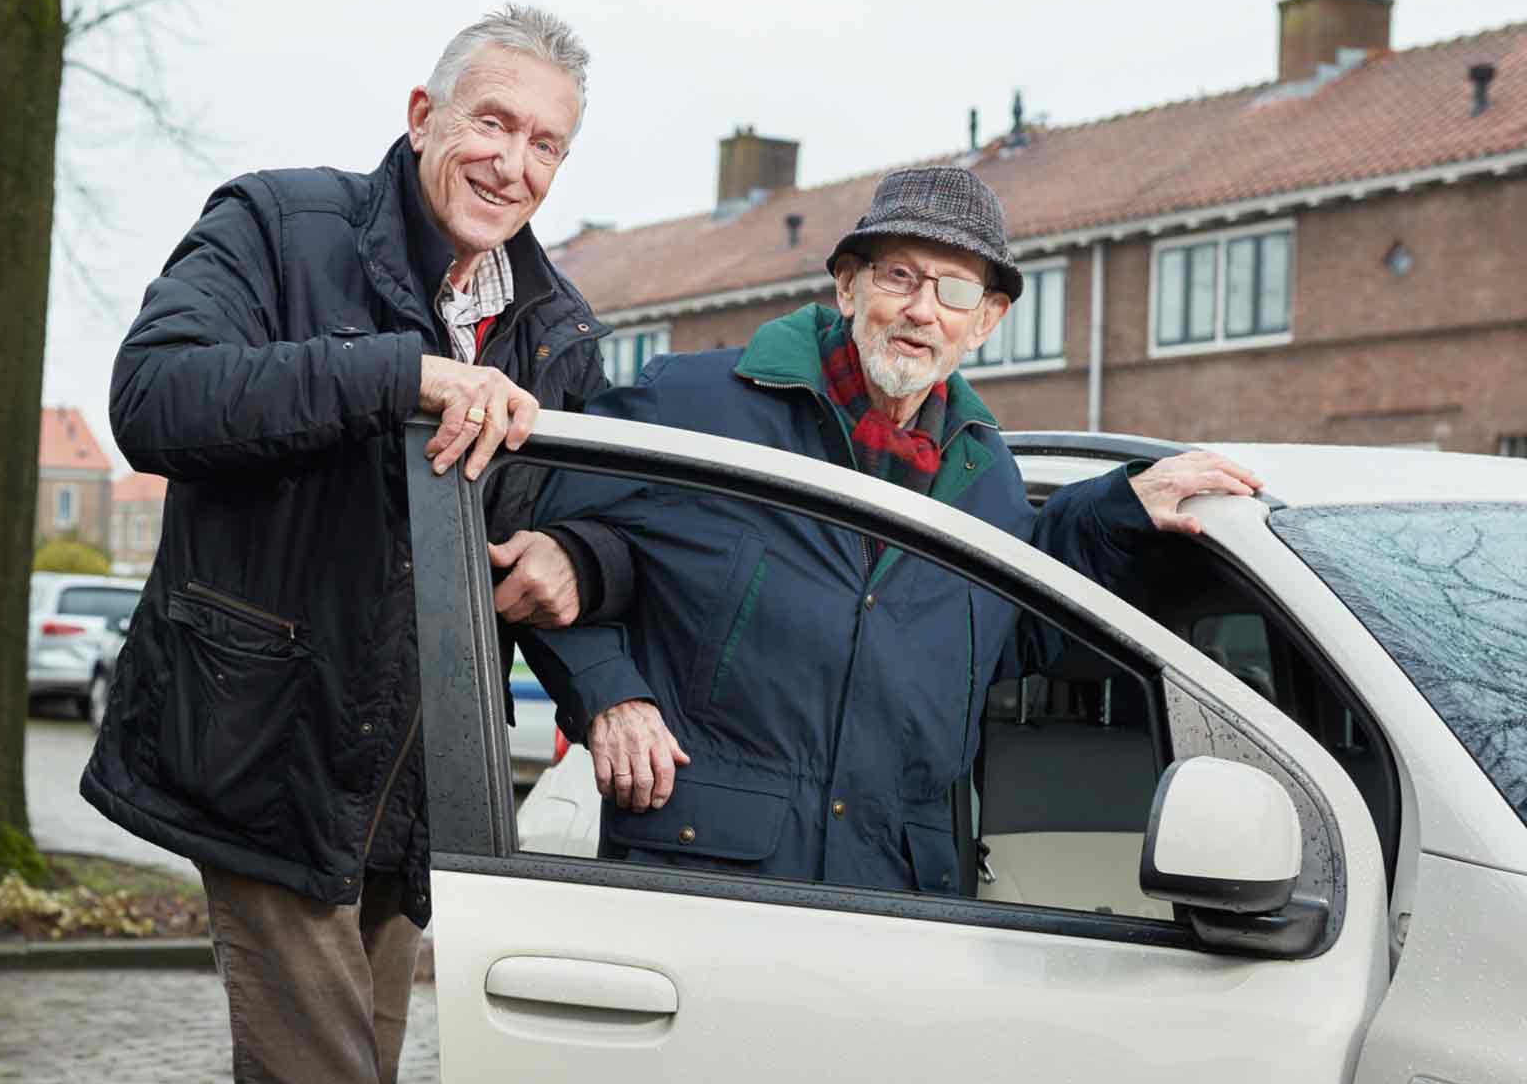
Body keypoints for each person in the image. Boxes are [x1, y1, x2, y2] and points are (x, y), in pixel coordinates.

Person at [82, 5, 629, 1084]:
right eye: (492, 122)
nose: (512, 162)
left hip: (407, 795)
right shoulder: (279, 226)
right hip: (264, 757)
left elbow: (596, 520)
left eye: (545, 143)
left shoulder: (557, 334)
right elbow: (154, 397)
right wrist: (400, 371)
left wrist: (575, 556)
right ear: (422, 113)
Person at [524, 164, 1262, 890]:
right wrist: (608, 694)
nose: (922, 309)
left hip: (896, 909)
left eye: (955, 288)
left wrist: (1118, 514)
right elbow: (534, 529)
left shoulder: (988, 483)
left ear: (986, 320)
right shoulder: (697, 404)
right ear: (848, 285)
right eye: (900, 276)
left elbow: (1014, 629)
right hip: (708, 886)